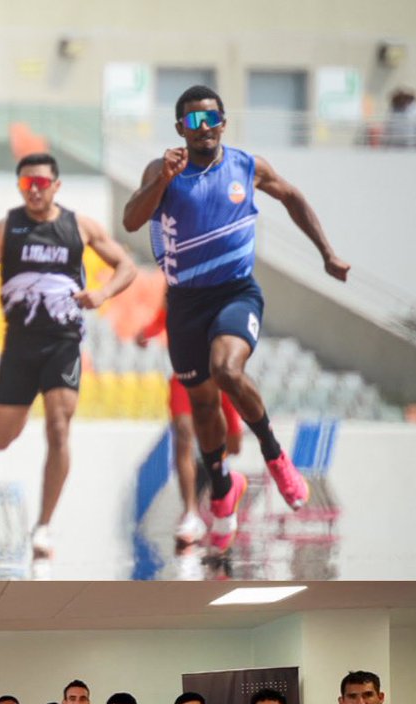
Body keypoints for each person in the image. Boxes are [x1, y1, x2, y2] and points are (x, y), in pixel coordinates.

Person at [122, 85, 350, 552]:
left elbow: (292, 198)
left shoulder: (247, 166)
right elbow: (130, 220)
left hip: (235, 293)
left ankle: (275, 456)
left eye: (210, 120)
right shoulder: (164, 169)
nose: (202, 129)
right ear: (180, 128)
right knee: (202, 406)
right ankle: (223, 490)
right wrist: (161, 180)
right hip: (184, 304)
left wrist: (327, 253)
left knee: (227, 370)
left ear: (223, 123)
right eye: (192, 122)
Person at [0, 152, 136, 565]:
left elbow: (126, 266)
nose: (35, 190)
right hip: (19, 344)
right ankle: (24, 404)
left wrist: (102, 293)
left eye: (42, 183)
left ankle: (43, 524)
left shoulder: (79, 226)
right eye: (27, 184)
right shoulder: (6, 227)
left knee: (60, 427)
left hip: (63, 341)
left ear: (57, 185)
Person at [135, 302, 243, 545]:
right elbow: (163, 316)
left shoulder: (223, 285)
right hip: (185, 377)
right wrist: (146, 334)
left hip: (220, 376)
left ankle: (214, 488)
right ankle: (191, 513)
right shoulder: (178, 288)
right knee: (183, 434)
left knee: (234, 446)